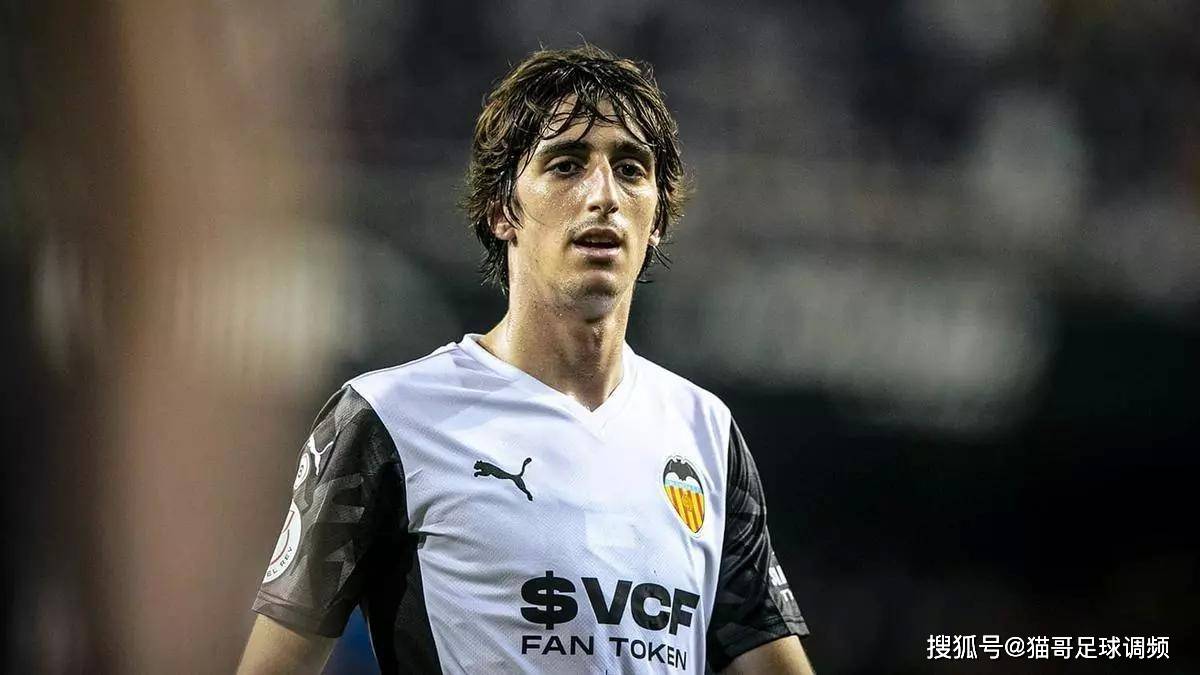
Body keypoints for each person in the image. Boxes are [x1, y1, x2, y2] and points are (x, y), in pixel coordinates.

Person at [238, 45, 814, 675]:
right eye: (566, 165)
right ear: (501, 209)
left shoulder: (705, 432)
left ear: (656, 220)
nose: (604, 195)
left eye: (631, 168)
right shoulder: (386, 420)